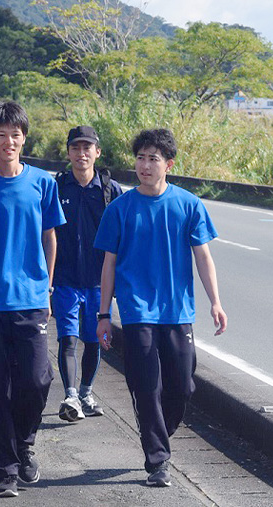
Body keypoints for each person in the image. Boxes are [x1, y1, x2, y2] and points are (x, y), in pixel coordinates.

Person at [93, 128, 227, 488]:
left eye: (153, 159)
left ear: (168, 164)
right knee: (146, 386)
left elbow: (203, 257)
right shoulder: (119, 209)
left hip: (177, 310)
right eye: (140, 158)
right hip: (137, 310)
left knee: (182, 386)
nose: (145, 165)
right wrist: (104, 315)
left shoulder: (188, 204)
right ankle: (158, 460)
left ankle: (155, 433)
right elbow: (108, 264)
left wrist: (215, 302)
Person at [0, 101, 65, 498]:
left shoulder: (42, 182)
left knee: (37, 379)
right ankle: (5, 468)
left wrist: (48, 287)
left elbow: (49, 237)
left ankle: (24, 442)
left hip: (31, 298)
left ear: (25, 138)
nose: (9, 141)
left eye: (16, 134)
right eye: (1, 135)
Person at [53, 125, 122, 422]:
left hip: (98, 281)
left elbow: (122, 237)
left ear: (97, 152)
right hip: (65, 279)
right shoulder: (57, 187)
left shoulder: (110, 190)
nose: (81, 154)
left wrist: (119, 281)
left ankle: (85, 393)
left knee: (94, 340)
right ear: (68, 152)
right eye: (75, 148)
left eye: (87, 148)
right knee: (67, 339)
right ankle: (70, 396)